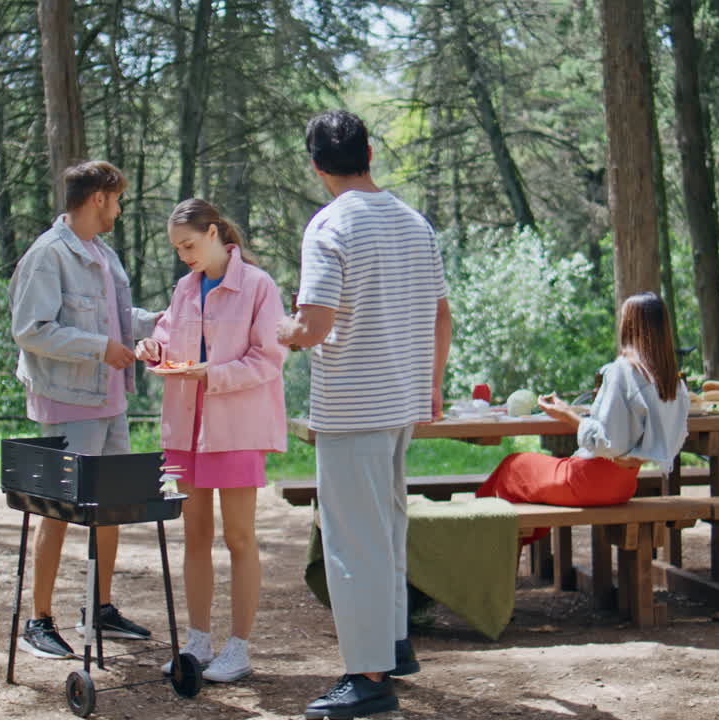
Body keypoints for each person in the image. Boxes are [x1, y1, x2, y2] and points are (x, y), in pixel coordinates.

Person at [277, 110, 453, 719]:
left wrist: (283, 330)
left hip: (353, 405)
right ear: (371, 152)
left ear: (318, 166)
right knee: (388, 529)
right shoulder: (414, 222)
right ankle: (394, 644)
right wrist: (433, 387)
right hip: (403, 400)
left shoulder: (329, 226)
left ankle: (368, 676)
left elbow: (315, 324)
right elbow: (440, 314)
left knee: (354, 542)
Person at [9, 160, 159, 659]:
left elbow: (116, 320)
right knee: (58, 511)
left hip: (109, 400)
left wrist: (156, 322)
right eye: (117, 199)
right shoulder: (47, 256)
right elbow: (32, 329)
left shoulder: (102, 253)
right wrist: (99, 347)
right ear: (99, 197)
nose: (119, 208)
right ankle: (39, 620)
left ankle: (99, 608)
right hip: (68, 404)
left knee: (110, 506)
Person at [135, 198, 288, 683]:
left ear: (215, 232)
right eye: (177, 248)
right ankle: (198, 640)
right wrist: (152, 346)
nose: (183, 254)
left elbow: (270, 359)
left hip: (236, 431)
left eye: (189, 244)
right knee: (194, 535)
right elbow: (166, 336)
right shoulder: (185, 288)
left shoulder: (259, 286)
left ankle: (238, 648)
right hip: (184, 431)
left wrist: (213, 375)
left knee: (239, 537)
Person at [476, 291, 690, 537]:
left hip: (588, 481)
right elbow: (665, 442)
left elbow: (606, 443)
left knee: (511, 466)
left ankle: (481, 549)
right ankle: (502, 553)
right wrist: (635, 458)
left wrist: (568, 414)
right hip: (624, 486)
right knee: (527, 495)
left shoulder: (620, 372)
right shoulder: (673, 382)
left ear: (629, 326)